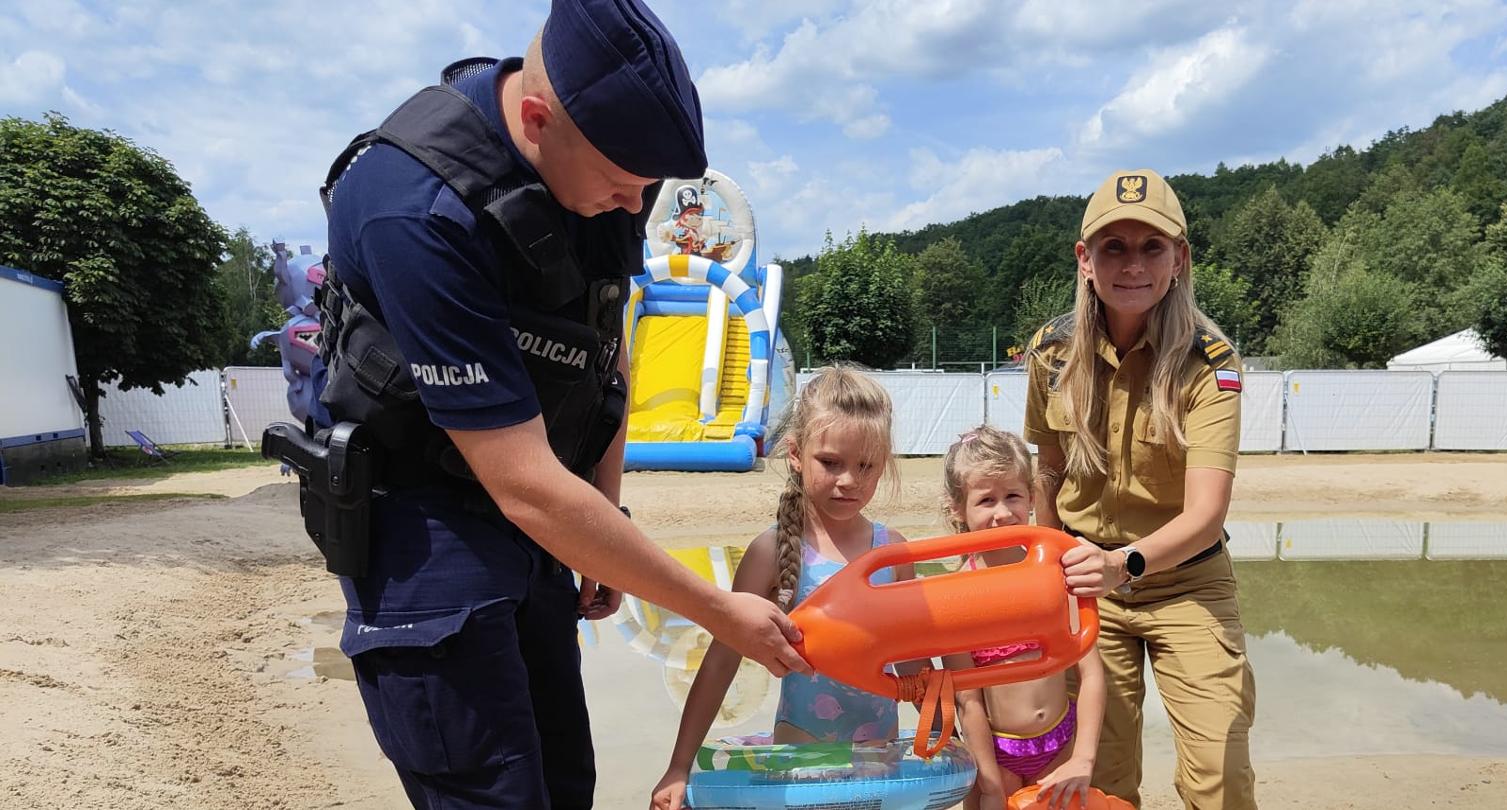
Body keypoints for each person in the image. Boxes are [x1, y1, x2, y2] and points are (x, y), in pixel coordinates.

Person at [298, 1, 806, 807]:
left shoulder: (603, 176)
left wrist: (604, 521)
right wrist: (715, 610)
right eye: (619, 186)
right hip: (425, 521)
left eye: (646, 190)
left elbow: (610, 348)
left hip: (536, 519)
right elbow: (524, 482)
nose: (632, 208)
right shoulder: (416, 207)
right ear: (536, 119)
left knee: (565, 778)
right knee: (492, 789)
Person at [1026, 169, 1256, 808]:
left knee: (1220, 769)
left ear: (1179, 259)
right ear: (1085, 259)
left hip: (1187, 583)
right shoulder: (1052, 353)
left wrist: (1121, 565)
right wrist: (1046, 571)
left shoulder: (1211, 364)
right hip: (1084, 581)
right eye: (1114, 247)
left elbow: (1207, 515)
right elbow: (1047, 472)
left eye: (1152, 246)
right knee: (1099, 773)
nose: (1133, 265)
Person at [649, 366, 917, 810]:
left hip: (880, 759)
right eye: (830, 463)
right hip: (799, 757)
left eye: (866, 466)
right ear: (795, 453)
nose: (848, 480)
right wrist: (679, 766)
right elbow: (720, 663)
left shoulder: (894, 554)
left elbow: (917, 670)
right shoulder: (770, 551)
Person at [939, 426, 1108, 810]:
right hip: (994, 753)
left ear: (1031, 497)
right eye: (986, 500)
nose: (1002, 513)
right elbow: (968, 702)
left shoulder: (1055, 577)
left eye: (1012, 496)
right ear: (957, 508)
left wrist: (1083, 757)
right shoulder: (955, 597)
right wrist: (988, 779)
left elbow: (1092, 674)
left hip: (1061, 744)